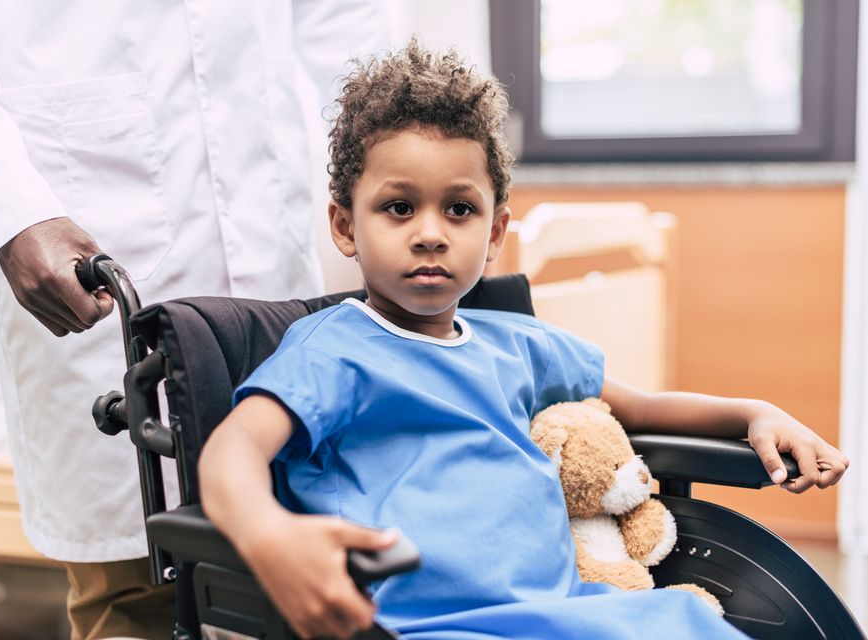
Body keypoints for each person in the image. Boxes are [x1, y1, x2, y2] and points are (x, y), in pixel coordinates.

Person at [197, 40, 851, 640]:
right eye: (398, 207)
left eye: (458, 209)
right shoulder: (330, 352)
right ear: (344, 226)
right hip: (427, 627)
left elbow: (644, 408)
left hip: (577, 616)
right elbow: (232, 450)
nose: (430, 232)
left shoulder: (517, 345)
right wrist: (268, 535)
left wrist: (754, 413)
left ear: (494, 232)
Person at [0, 2, 386, 638]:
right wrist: (10, 213)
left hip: (270, 241)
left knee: (296, 581)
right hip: (98, 251)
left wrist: (401, 165)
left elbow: (347, 20)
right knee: (136, 596)